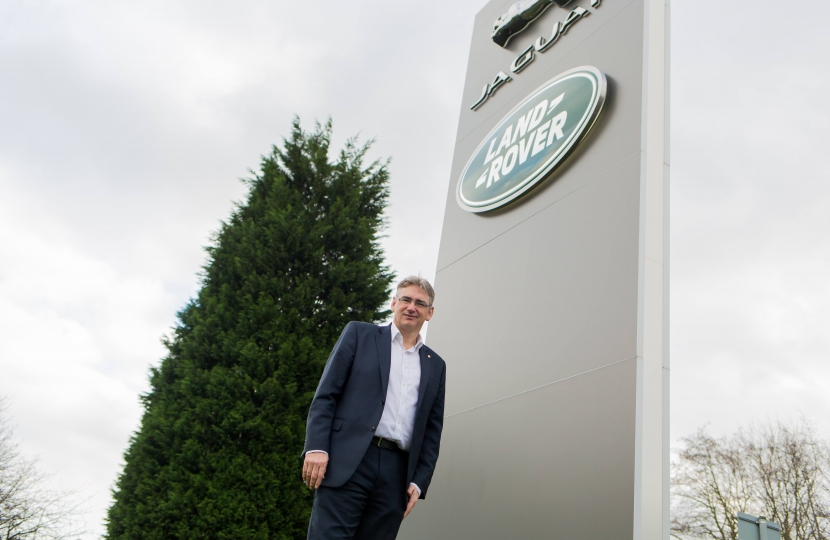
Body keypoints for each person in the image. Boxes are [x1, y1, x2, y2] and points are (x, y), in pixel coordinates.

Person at [302, 276, 446, 540]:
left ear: (430, 313)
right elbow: (326, 395)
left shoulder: (436, 365)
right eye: (406, 299)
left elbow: (432, 430)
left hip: (397, 474)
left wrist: (418, 482)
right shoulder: (359, 334)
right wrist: (317, 447)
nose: (411, 306)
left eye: (420, 303)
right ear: (394, 303)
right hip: (349, 460)